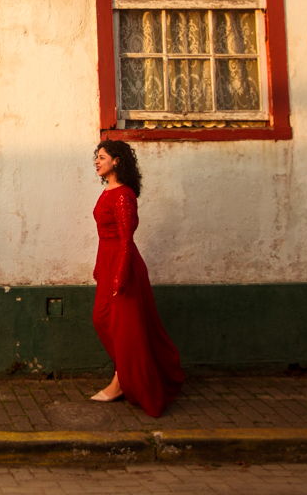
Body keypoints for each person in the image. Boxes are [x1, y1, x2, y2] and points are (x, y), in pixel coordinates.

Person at [89, 139, 184, 418]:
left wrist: (120, 275)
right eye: (97, 157)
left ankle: (122, 383)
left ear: (117, 161)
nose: (97, 161)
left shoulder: (124, 195)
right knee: (101, 319)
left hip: (124, 264)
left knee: (126, 329)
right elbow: (103, 236)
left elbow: (126, 240)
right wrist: (99, 267)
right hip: (107, 262)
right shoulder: (108, 191)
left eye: (102, 157)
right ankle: (124, 375)